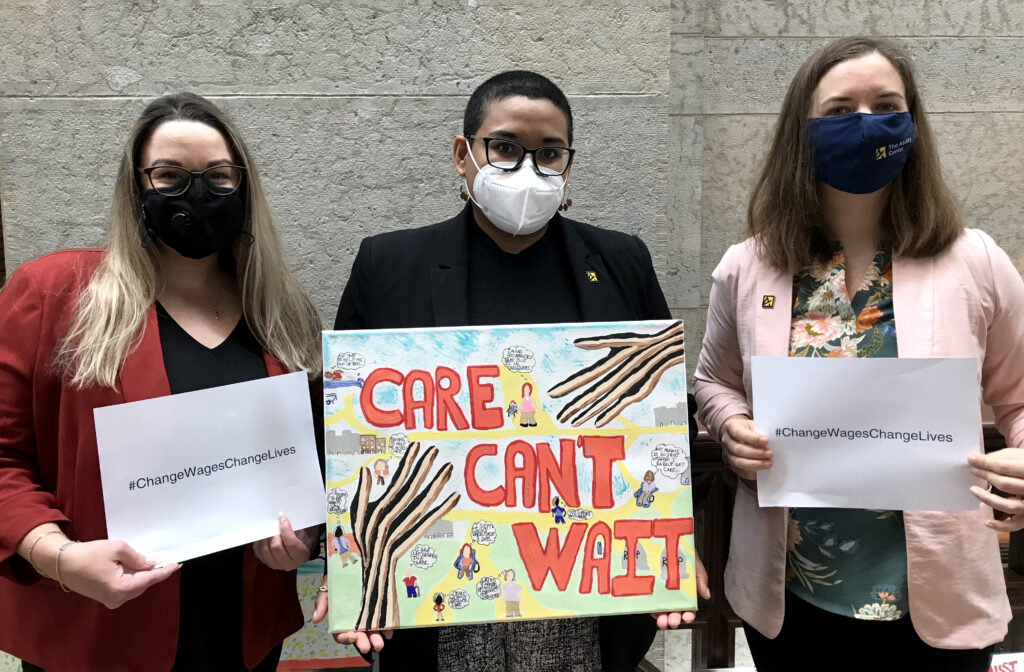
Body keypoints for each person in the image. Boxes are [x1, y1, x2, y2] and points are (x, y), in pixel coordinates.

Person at [317, 69, 709, 672]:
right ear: (462, 154)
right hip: (437, 603)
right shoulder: (389, 263)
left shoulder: (621, 260)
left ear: (567, 163)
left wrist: (672, 539)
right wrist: (347, 553)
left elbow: (665, 415)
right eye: (503, 147)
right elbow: (346, 427)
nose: (527, 167)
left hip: (584, 589)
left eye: (548, 152)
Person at [693, 37, 1024, 671]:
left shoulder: (975, 260)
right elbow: (715, 381)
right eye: (840, 110)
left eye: (886, 105)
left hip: (939, 599)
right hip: (791, 598)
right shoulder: (749, 266)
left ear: (913, 123)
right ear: (802, 129)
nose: (866, 123)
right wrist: (730, 426)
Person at [0, 93, 325, 671]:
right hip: (103, 632)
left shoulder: (281, 313)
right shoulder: (54, 293)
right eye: (170, 175)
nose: (196, 194)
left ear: (244, 188)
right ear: (136, 186)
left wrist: (302, 537)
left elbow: (313, 461)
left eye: (218, 177)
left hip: (243, 633)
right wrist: (55, 555)